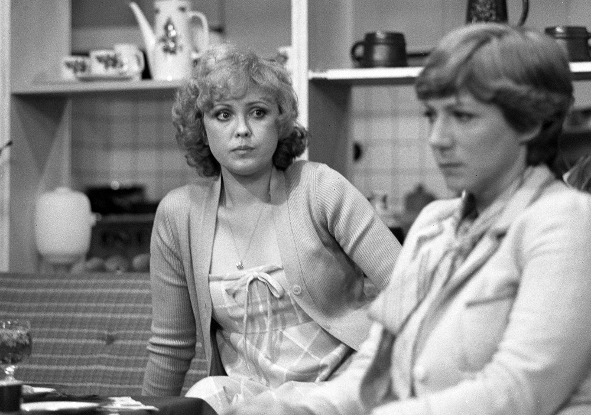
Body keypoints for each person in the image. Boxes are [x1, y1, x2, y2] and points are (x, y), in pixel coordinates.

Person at [227, 23, 591, 415]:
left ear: (530, 123)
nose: (437, 138)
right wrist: (302, 409)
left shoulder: (564, 222)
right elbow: (373, 371)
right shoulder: (435, 225)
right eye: (432, 115)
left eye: (463, 116)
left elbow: (517, 391)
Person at [141, 44, 402, 411]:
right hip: (250, 397)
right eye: (223, 114)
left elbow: (409, 287)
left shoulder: (319, 188)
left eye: (258, 112)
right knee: (205, 394)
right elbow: (170, 346)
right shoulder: (178, 214)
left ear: (280, 122)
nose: (242, 130)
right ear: (201, 126)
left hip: (342, 388)